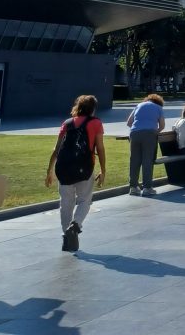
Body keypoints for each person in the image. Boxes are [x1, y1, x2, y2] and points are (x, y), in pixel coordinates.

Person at [45, 94, 106, 252]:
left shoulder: (67, 123)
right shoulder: (96, 123)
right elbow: (100, 148)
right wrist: (103, 170)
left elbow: (56, 149)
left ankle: (67, 235)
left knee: (65, 203)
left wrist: (49, 171)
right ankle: (75, 225)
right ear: (93, 108)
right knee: (85, 200)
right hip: (84, 167)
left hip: (63, 168)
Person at [126, 93, 165, 196]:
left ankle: (133, 187)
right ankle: (147, 188)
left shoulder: (139, 105)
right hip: (149, 134)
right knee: (147, 160)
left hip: (134, 133)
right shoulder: (158, 107)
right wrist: (155, 131)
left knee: (134, 160)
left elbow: (129, 122)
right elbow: (162, 125)